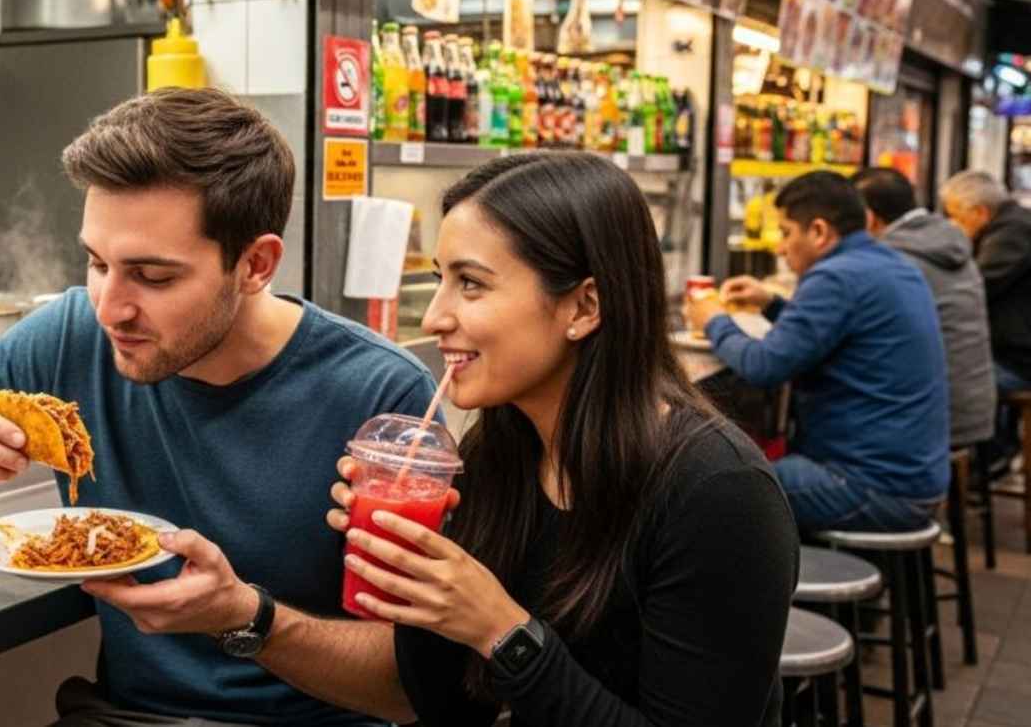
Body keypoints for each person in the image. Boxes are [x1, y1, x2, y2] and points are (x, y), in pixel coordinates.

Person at [89, 152, 799, 727]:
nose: (437, 317)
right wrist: (408, 588)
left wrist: (497, 628)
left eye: (472, 285)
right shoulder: (502, 455)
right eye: (439, 280)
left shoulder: (718, 494)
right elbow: (443, 704)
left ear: (583, 305)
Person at [0, 88, 436, 727]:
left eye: (153, 277)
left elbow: (409, 685)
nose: (110, 306)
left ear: (256, 264)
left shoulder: (379, 397)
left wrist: (247, 618)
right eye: (98, 263)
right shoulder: (69, 333)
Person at [685, 170, 949, 533]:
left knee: (703, 489)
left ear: (820, 232)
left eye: (787, 233)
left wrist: (713, 319)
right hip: (913, 477)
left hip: (867, 485)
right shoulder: (888, 264)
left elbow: (763, 366)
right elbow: (827, 334)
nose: (780, 247)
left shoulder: (837, 277)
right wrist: (771, 303)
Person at [852, 167, 994, 451]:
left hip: (936, 418)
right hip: (976, 405)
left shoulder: (892, 259)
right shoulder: (944, 239)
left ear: (868, 217)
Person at [942, 169, 1031, 475]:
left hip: (1019, 361)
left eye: (956, 216)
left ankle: (987, 458)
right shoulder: (1013, 223)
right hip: (1012, 350)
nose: (954, 225)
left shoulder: (1012, 232)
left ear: (979, 212)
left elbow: (976, 287)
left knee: (948, 378)